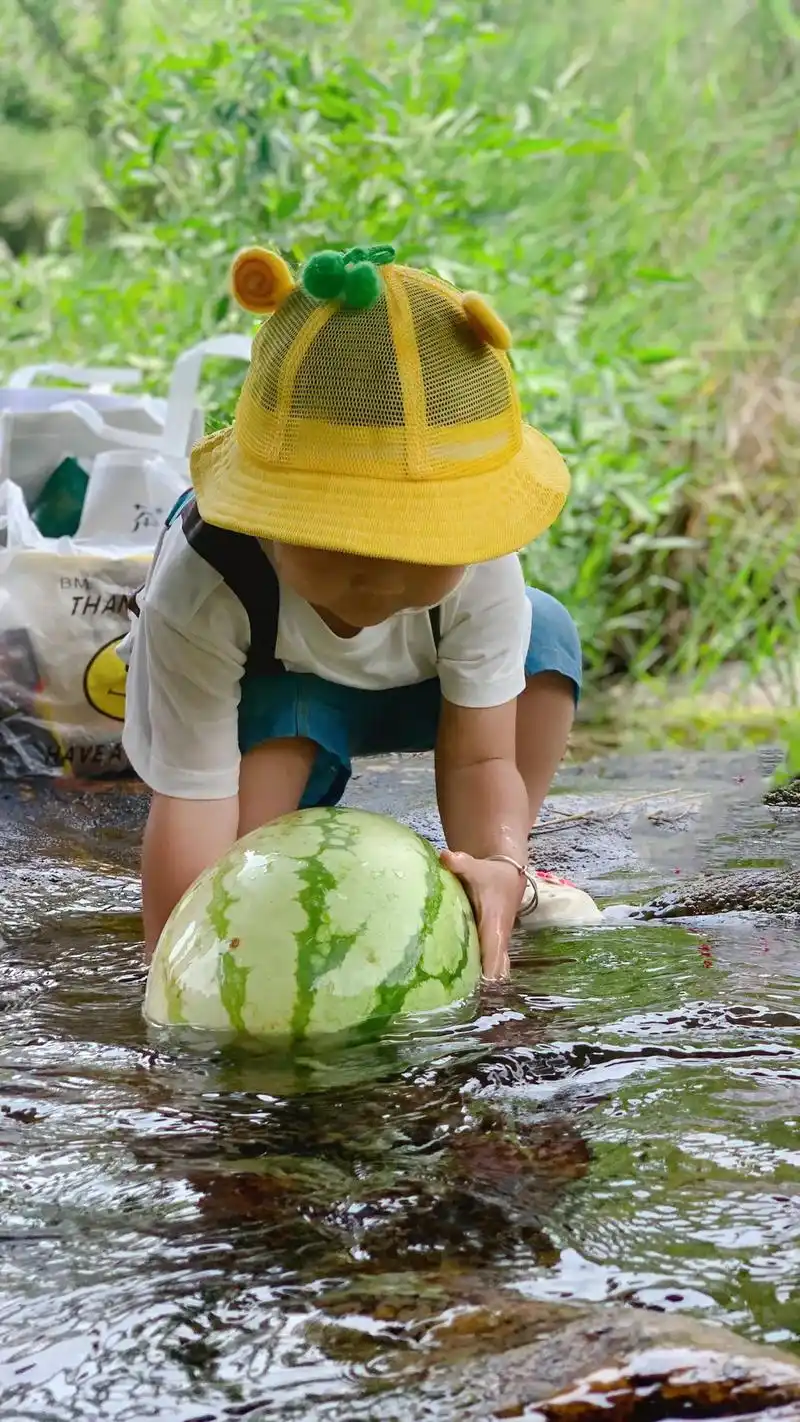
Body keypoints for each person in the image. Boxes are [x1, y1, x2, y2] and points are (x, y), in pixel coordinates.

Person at [119, 242, 601, 980]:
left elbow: (481, 755)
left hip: (419, 694)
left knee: (546, 635)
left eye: (416, 544)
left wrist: (495, 861)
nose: (381, 575)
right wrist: (180, 971)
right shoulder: (206, 583)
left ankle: (507, 887)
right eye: (343, 537)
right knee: (246, 874)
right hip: (280, 704)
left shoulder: (482, 564)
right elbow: (192, 802)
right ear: (269, 516)